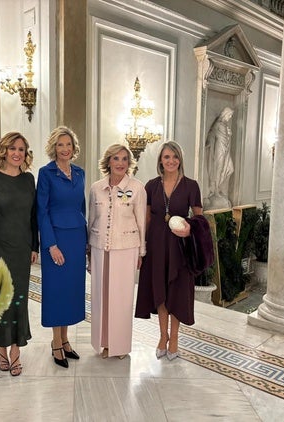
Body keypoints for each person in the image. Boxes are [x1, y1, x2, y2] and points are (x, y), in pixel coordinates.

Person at [0, 131, 39, 377]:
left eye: (21, 149)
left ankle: (16, 350)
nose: (17, 153)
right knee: (1, 299)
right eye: (12, 148)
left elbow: (33, 216)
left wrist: (34, 246)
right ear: (4, 151)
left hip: (22, 250)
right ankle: (1, 348)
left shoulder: (28, 180)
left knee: (19, 301)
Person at [135, 141, 203, 361]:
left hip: (179, 248)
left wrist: (189, 228)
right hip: (156, 246)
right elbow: (145, 218)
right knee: (160, 292)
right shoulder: (151, 185)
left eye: (174, 157)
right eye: (166, 157)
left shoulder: (191, 185)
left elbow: (200, 218)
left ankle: (175, 338)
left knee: (177, 292)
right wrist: (141, 248)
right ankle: (162, 336)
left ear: (180, 159)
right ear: (160, 161)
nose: (171, 161)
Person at [88, 143, 146, 359]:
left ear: (129, 163)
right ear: (108, 162)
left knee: (121, 298)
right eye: (116, 158)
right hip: (99, 246)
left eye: (124, 159)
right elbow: (91, 219)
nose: (120, 163)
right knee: (101, 296)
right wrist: (88, 249)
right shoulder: (96, 188)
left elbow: (141, 222)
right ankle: (104, 343)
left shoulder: (137, 188)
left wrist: (142, 252)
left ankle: (120, 346)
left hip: (126, 248)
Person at [37, 126, 86, 368]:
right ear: (53, 148)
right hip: (56, 239)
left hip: (76, 238)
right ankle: (56, 343)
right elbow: (42, 211)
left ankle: (66, 340)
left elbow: (82, 207)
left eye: (68, 144)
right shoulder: (46, 174)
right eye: (60, 145)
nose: (64, 149)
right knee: (57, 291)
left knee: (71, 291)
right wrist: (51, 245)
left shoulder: (80, 173)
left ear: (73, 147)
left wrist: (86, 242)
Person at [205, 107, 234, 207]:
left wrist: (229, 135)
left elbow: (226, 140)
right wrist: (209, 143)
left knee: (230, 169)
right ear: (225, 114)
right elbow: (211, 136)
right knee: (218, 170)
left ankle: (221, 188)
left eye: (231, 116)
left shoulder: (226, 127)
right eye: (229, 115)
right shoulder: (218, 125)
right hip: (218, 151)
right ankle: (216, 189)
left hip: (226, 152)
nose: (230, 117)